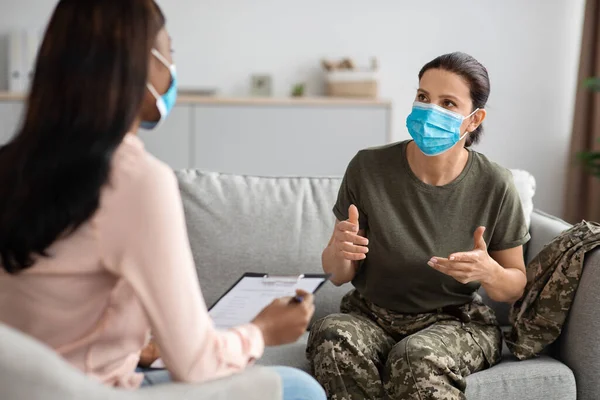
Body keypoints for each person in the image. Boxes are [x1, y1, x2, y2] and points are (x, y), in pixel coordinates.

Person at [0, 1, 325, 399]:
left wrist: (140, 346)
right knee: (299, 389)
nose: (172, 68)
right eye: (169, 52)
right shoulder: (134, 180)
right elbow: (197, 365)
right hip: (91, 391)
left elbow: (57, 310)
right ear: (140, 63)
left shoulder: (12, 165)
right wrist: (262, 331)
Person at [306, 52, 530, 400]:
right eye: (423, 97)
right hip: (371, 316)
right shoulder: (368, 167)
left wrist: (490, 272)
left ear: (474, 119)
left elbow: (515, 287)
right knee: (330, 334)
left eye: (448, 103)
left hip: (454, 322)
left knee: (415, 356)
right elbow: (340, 274)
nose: (430, 110)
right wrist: (336, 252)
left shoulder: (495, 184)